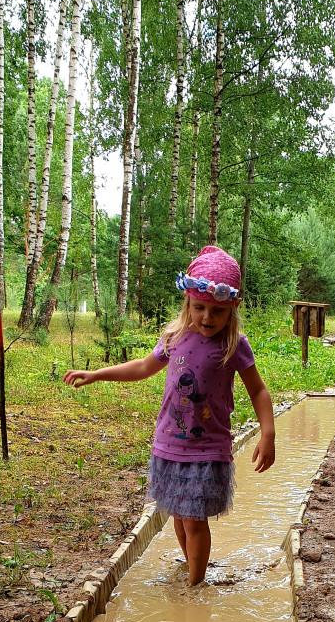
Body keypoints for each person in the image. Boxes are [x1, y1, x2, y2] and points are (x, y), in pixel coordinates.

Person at [64, 245, 275, 585]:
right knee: (178, 515)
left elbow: (258, 391)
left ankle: (195, 586)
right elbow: (143, 367)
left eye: (216, 312)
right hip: (169, 445)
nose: (207, 318)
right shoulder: (175, 336)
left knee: (194, 519)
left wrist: (268, 433)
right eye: (199, 308)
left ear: (232, 310)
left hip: (207, 449)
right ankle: (190, 568)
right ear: (187, 304)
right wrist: (97, 374)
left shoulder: (234, 344)